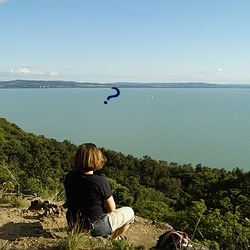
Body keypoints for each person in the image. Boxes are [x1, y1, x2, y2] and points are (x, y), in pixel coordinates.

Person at [64, 143, 134, 239]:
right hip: (95, 227)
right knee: (130, 212)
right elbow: (112, 209)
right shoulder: (100, 182)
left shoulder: (70, 176)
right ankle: (112, 239)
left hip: (74, 225)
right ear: (97, 160)